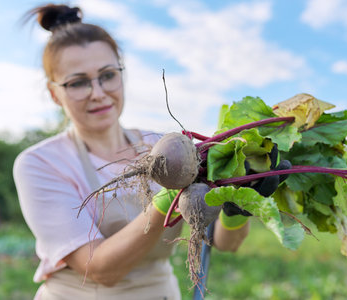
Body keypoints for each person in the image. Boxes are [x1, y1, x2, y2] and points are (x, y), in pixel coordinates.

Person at [14, 4, 250, 299]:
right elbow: (99, 269)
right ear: (54, 93)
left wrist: (239, 201)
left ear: (122, 74)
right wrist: (165, 200)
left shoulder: (165, 143)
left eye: (108, 75)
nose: (98, 92)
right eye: (78, 82)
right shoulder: (40, 163)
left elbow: (226, 243)